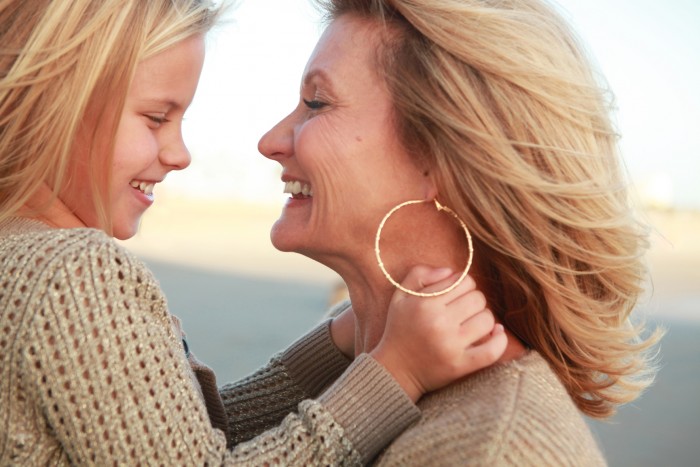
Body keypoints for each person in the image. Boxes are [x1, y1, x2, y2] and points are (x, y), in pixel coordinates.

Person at [0, 0, 509, 465]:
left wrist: (335, 345)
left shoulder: (19, 252)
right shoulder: (73, 272)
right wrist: (398, 374)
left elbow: (184, 434)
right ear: (55, 101)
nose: (180, 154)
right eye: (156, 118)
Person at [258, 0, 663, 464]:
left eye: (316, 103)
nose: (270, 140)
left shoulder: (495, 451)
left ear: (440, 154)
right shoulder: (366, 366)